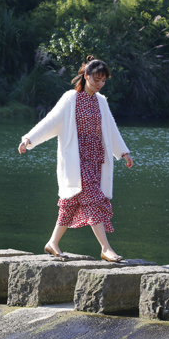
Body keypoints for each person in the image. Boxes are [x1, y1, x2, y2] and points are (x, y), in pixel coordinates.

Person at [18, 56, 134, 262]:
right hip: (76, 161)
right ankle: (106, 248)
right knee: (92, 199)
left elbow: (111, 129)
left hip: (95, 159)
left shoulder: (101, 101)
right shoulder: (71, 98)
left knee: (70, 202)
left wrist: (123, 152)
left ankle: (52, 242)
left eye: (103, 81)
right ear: (86, 76)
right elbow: (50, 121)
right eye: (96, 80)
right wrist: (29, 138)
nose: (100, 84)